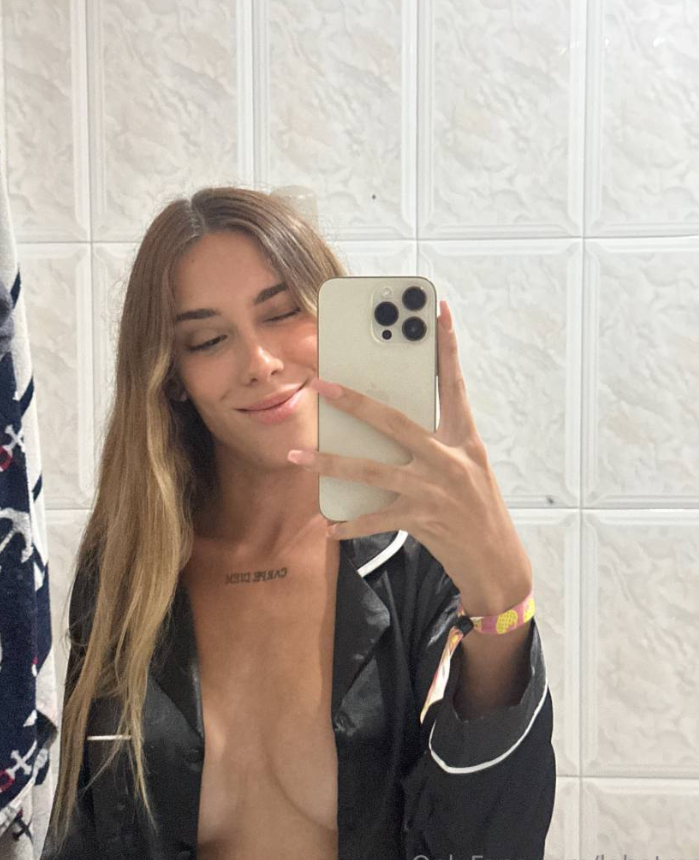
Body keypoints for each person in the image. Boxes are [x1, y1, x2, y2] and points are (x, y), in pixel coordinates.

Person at [41, 186, 556, 860]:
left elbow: (493, 837)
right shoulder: (128, 574)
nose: (259, 363)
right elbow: (82, 830)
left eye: (282, 312)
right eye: (207, 339)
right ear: (171, 376)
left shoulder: (417, 558)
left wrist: (503, 599)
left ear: (332, 318)